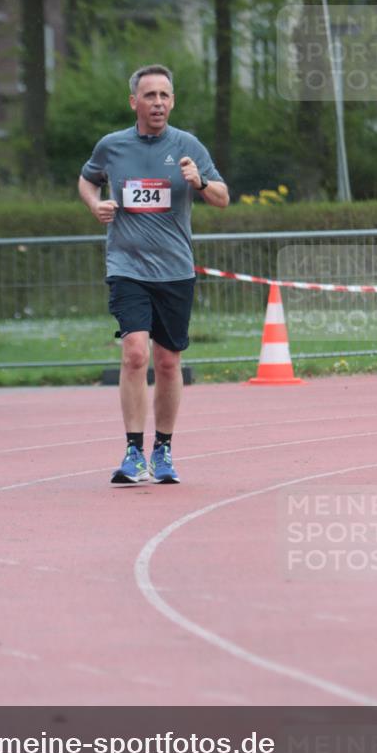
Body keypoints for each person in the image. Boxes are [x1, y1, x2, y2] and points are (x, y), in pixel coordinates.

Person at [78, 64, 229, 484]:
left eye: (164, 95)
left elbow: (223, 197)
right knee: (135, 354)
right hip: (127, 267)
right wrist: (95, 205)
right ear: (134, 102)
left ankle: (162, 450)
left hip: (175, 270)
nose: (158, 103)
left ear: (172, 101)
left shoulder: (188, 145)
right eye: (150, 96)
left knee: (167, 362)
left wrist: (199, 181)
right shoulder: (112, 147)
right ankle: (132, 452)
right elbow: (87, 180)